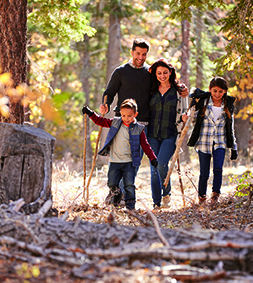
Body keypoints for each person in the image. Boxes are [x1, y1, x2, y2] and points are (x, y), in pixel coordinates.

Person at [99, 38, 188, 203]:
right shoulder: (120, 71)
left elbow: (165, 83)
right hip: (121, 122)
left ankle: (122, 195)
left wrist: (182, 89)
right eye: (138, 53)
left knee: (134, 161)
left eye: (144, 54)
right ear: (132, 52)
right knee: (120, 159)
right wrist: (105, 104)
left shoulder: (149, 73)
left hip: (143, 125)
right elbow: (109, 92)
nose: (141, 57)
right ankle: (115, 192)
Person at [82, 99, 158, 210]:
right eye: (123, 115)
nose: (126, 118)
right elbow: (101, 121)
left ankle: (130, 207)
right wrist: (90, 113)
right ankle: (116, 195)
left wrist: (152, 158)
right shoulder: (115, 122)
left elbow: (145, 145)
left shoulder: (138, 128)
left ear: (135, 114)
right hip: (114, 161)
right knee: (112, 183)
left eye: (129, 116)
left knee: (129, 185)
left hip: (129, 162)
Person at [184, 77, 238, 207]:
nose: (217, 94)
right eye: (215, 91)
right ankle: (202, 197)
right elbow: (194, 119)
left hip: (220, 142)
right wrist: (186, 117)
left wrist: (234, 147)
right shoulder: (203, 103)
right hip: (204, 141)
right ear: (210, 90)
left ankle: (215, 196)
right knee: (204, 172)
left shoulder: (227, 106)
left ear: (225, 91)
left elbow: (230, 128)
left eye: (220, 91)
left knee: (218, 169)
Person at [147, 58, 188, 208]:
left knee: (161, 164)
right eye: (159, 73)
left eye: (165, 72)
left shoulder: (179, 91)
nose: (162, 75)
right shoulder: (151, 90)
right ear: (155, 74)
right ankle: (156, 202)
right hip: (151, 135)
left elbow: (186, 110)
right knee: (153, 168)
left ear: (170, 72)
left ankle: (166, 193)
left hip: (170, 134)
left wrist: (185, 116)